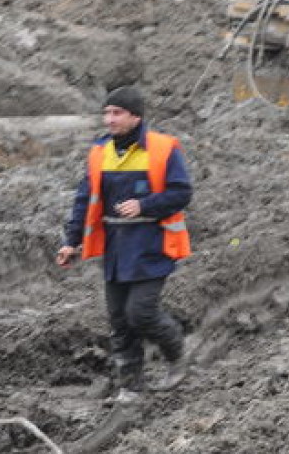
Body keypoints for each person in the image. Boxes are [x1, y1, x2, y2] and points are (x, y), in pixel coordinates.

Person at [56, 86, 193, 403]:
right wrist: (71, 241)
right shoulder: (100, 152)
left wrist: (144, 205)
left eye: (117, 113)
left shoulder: (163, 149)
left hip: (152, 245)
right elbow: (84, 201)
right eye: (106, 113)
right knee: (119, 320)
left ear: (135, 116)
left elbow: (181, 192)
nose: (109, 119)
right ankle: (131, 386)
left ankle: (176, 353)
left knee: (140, 312)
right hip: (116, 248)